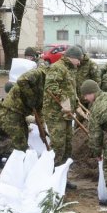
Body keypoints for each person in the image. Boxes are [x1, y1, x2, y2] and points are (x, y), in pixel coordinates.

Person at [0, 67, 46, 168]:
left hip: (16, 118)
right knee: (21, 145)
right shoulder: (37, 76)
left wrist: (42, 128)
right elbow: (22, 80)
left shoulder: (41, 91)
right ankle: (15, 165)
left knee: (22, 140)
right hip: (8, 121)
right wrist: (31, 98)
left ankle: (7, 158)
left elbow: (39, 111)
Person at [43, 45, 82, 175]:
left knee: (67, 145)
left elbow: (71, 91)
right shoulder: (57, 68)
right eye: (78, 59)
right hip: (55, 114)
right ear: (72, 58)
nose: (80, 62)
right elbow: (51, 87)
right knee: (58, 146)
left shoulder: (70, 70)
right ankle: (51, 176)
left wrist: (76, 104)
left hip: (66, 114)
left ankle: (62, 176)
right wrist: (65, 101)